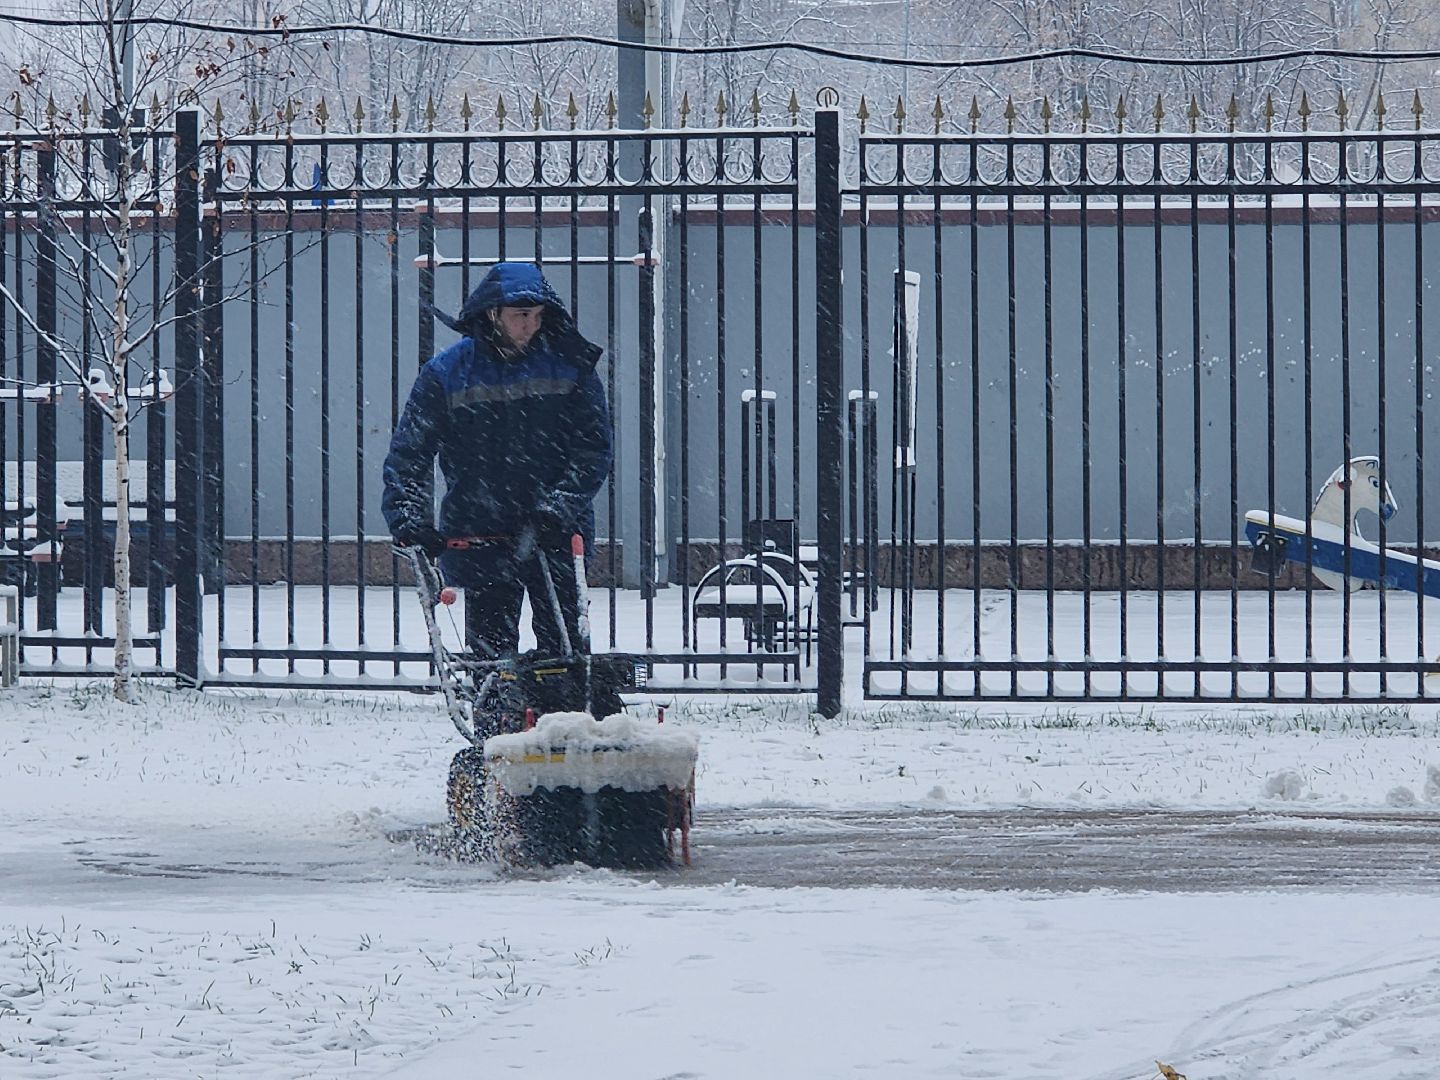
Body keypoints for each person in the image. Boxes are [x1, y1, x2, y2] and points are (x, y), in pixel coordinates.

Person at [383, 262, 611, 661]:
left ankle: (566, 718)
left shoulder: (571, 366)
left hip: (555, 532)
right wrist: (409, 520)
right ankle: (498, 721)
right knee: (490, 657)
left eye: (537, 317)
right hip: (479, 531)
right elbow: (411, 451)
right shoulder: (446, 373)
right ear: (492, 314)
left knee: (566, 657)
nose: (530, 326)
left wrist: (557, 509)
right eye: (521, 316)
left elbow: (592, 450)